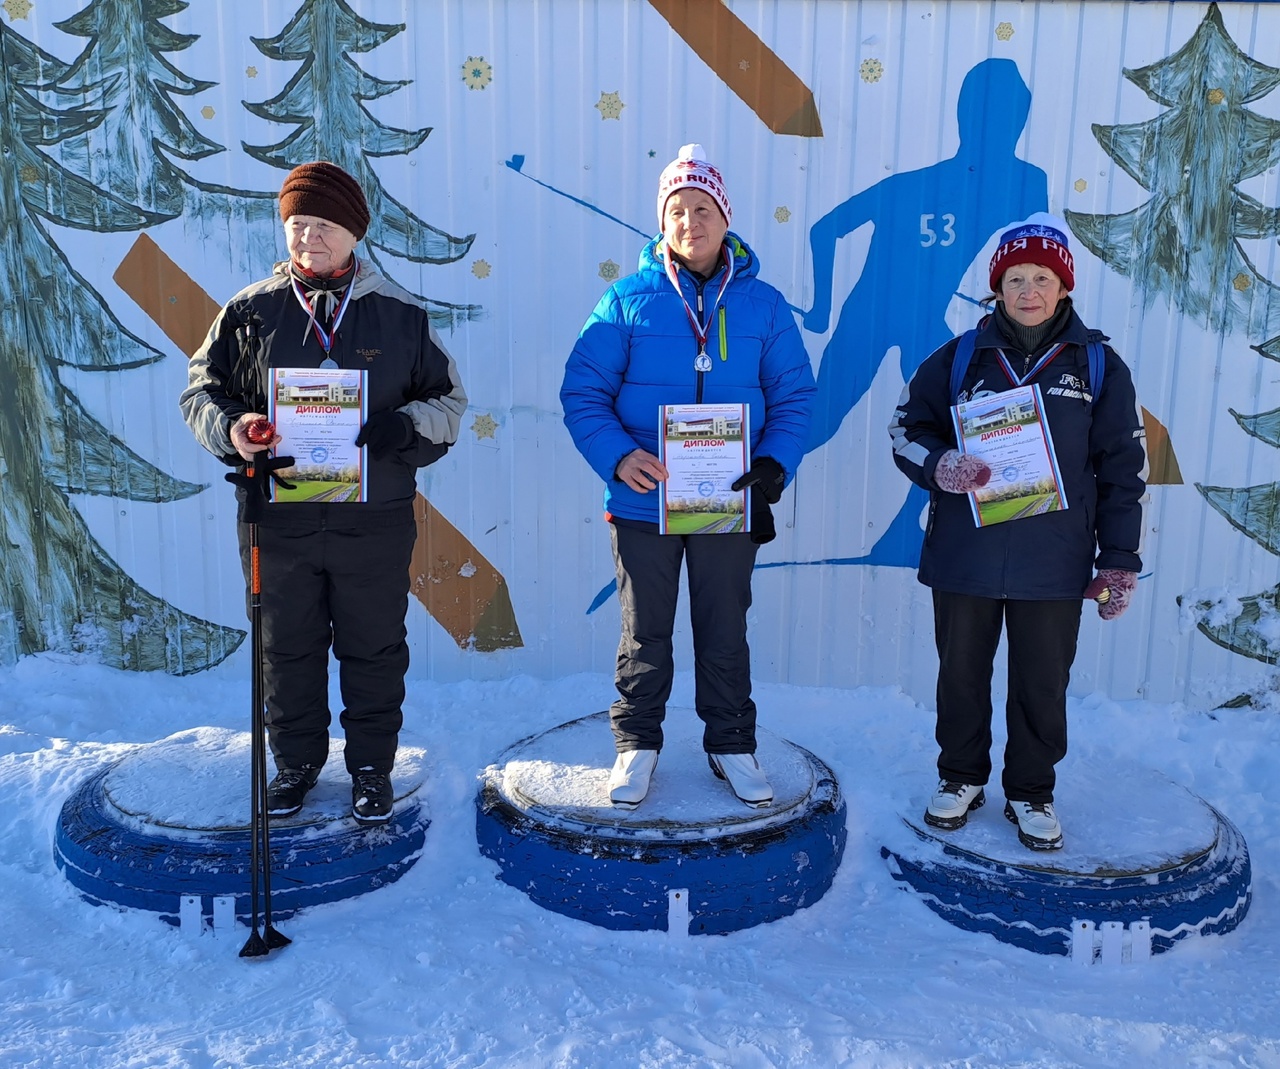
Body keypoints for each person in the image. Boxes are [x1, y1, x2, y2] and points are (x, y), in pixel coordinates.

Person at [180, 161, 467, 825]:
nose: (308, 236)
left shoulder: (400, 316)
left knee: (373, 647)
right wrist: (235, 428)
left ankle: (371, 769)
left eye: (324, 224)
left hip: (374, 521)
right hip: (276, 520)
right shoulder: (249, 313)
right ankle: (297, 764)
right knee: (288, 646)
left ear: (353, 233)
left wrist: (402, 426)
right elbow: (200, 391)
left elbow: (450, 404)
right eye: (297, 224)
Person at [561, 144, 815, 811]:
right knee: (645, 627)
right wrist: (618, 456)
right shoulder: (627, 300)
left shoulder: (763, 306)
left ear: (725, 218)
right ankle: (637, 743)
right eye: (678, 210)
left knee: (724, 624)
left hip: (728, 502)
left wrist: (772, 464)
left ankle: (730, 742)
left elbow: (795, 397)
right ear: (662, 222)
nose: (691, 222)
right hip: (644, 501)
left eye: (703, 209)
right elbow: (582, 391)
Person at [888, 214, 1146, 850]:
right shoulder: (958, 359)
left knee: (1041, 682)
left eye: (1042, 278)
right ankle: (960, 777)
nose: (1028, 290)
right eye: (1015, 278)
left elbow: (1122, 471)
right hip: (965, 555)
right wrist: (941, 464)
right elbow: (904, 432)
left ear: (1064, 288)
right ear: (996, 287)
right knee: (961, 675)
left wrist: (1118, 560)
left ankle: (1032, 790)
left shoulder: (1097, 366)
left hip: (1054, 561)